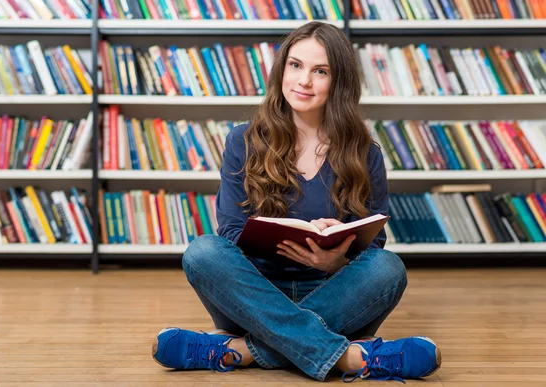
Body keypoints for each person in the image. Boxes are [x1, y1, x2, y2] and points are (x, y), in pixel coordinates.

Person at [151, 21, 441, 383]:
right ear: (281, 71)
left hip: (334, 291)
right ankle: (353, 357)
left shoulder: (365, 153)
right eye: (296, 65)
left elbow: (374, 241)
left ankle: (239, 351)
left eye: (320, 71)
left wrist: (338, 260)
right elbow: (229, 230)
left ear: (339, 82)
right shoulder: (243, 140)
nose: (304, 81)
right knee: (203, 252)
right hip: (255, 291)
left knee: (387, 267)